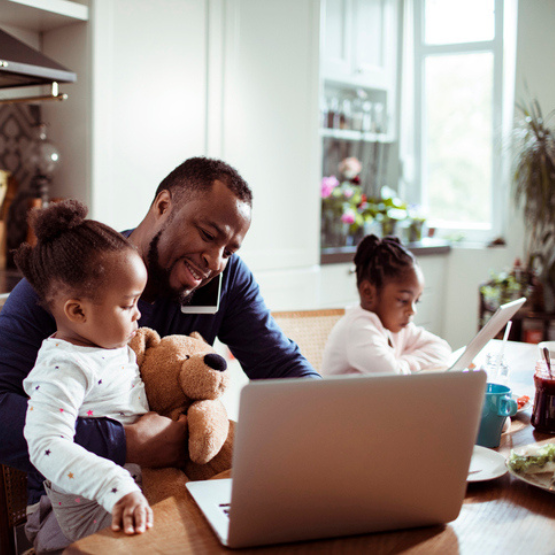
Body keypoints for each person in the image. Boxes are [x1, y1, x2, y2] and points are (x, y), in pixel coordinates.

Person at [0, 157, 319, 553]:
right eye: (207, 234)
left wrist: (331, 421)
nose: (216, 262)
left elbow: (281, 366)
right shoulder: (67, 286)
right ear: (163, 206)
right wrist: (123, 442)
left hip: (177, 485)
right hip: (81, 505)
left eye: (230, 250)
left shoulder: (227, 280)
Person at [15, 199, 154, 543]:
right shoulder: (64, 366)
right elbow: (46, 444)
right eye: (127, 305)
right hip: (93, 512)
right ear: (77, 311)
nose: (138, 314)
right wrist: (115, 485)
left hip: (137, 491)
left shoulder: (107, 346)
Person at [321, 234, 451, 376]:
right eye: (403, 300)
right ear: (368, 292)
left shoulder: (397, 327)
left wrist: (404, 363)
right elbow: (394, 376)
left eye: (416, 301)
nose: (412, 311)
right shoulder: (358, 328)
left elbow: (442, 349)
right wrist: (404, 365)